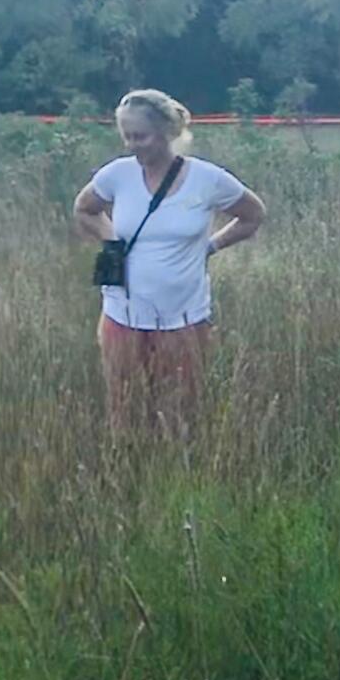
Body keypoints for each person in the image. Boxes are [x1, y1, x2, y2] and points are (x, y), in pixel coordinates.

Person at [73, 89, 266, 433]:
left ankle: (177, 475)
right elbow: (84, 209)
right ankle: (127, 472)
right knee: (124, 408)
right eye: (127, 136)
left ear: (167, 133)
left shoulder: (208, 179)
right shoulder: (117, 174)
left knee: (180, 411)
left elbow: (253, 215)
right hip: (123, 314)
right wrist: (113, 242)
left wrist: (211, 246)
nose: (133, 145)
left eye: (141, 136)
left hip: (184, 318)